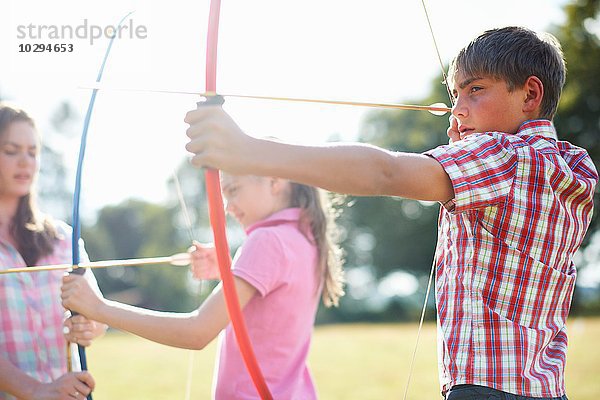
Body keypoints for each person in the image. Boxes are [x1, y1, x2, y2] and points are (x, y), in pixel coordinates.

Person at [183, 26, 598, 399]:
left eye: (475, 90)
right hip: (544, 388)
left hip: (486, 390)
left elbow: (384, 172)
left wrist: (249, 151)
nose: (458, 108)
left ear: (530, 94)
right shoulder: (569, 168)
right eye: (455, 95)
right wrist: (461, 150)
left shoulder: (503, 158)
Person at [61, 172, 345, 399]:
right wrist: (228, 271)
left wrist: (98, 307)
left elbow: (196, 332)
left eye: (234, 190)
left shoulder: (267, 240)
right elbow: (275, 305)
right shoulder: (303, 237)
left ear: (274, 180)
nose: (228, 206)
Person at [0, 103, 106, 400]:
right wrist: (36, 391)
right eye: (11, 151)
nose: (25, 162)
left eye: (32, 152)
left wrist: (89, 326)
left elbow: (99, 317)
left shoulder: (63, 238)